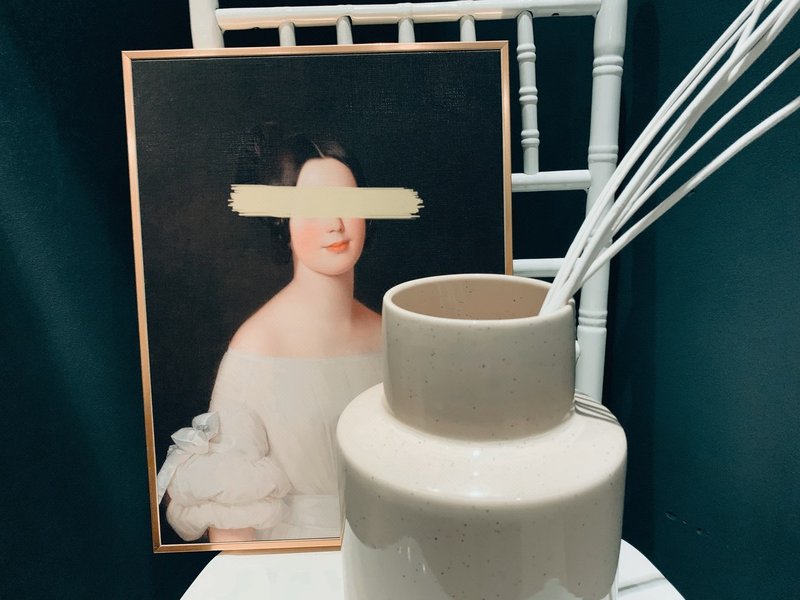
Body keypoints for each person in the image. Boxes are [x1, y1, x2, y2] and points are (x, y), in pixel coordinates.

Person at [158, 126, 382, 542]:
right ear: (284, 221)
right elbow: (231, 532)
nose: (335, 224)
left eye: (348, 204)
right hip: (292, 559)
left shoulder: (392, 334)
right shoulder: (258, 347)